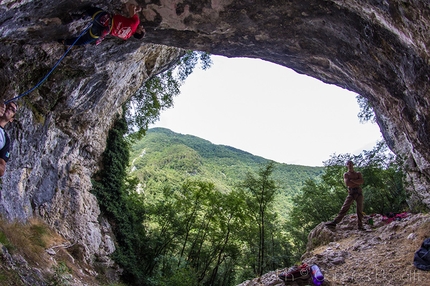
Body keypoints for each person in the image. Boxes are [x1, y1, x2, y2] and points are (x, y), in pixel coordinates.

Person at [61, 3, 145, 45]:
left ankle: (84, 15)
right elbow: (127, 25)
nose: (142, 27)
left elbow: (131, 6)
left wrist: (136, 8)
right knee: (84, 40)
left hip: (105, 19)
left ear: (138, 32)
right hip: (101, 31)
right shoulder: (126, 37)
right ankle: (66, 42)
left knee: (93, 10)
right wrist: (135, 12)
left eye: (142, 29)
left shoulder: (136, 22)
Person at [325, 160, 364, 230]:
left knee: (359, 210)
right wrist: (356, 182)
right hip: (351, 193)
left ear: (353, 165)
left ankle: (360, 226)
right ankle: (335, 222)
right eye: (348, 164)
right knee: (344, 207)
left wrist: (352, 180)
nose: (350, 165)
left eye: (351, 164)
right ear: (347, 165)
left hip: (358, 192)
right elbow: (347, 184)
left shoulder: (358, 173)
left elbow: (361, 181)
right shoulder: (346, 174)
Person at [0, 101, 17, 177]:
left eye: (12, 110)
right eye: (8, 106)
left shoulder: (5, 140)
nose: (9, 108)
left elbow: (2, 169)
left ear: (11, 119)